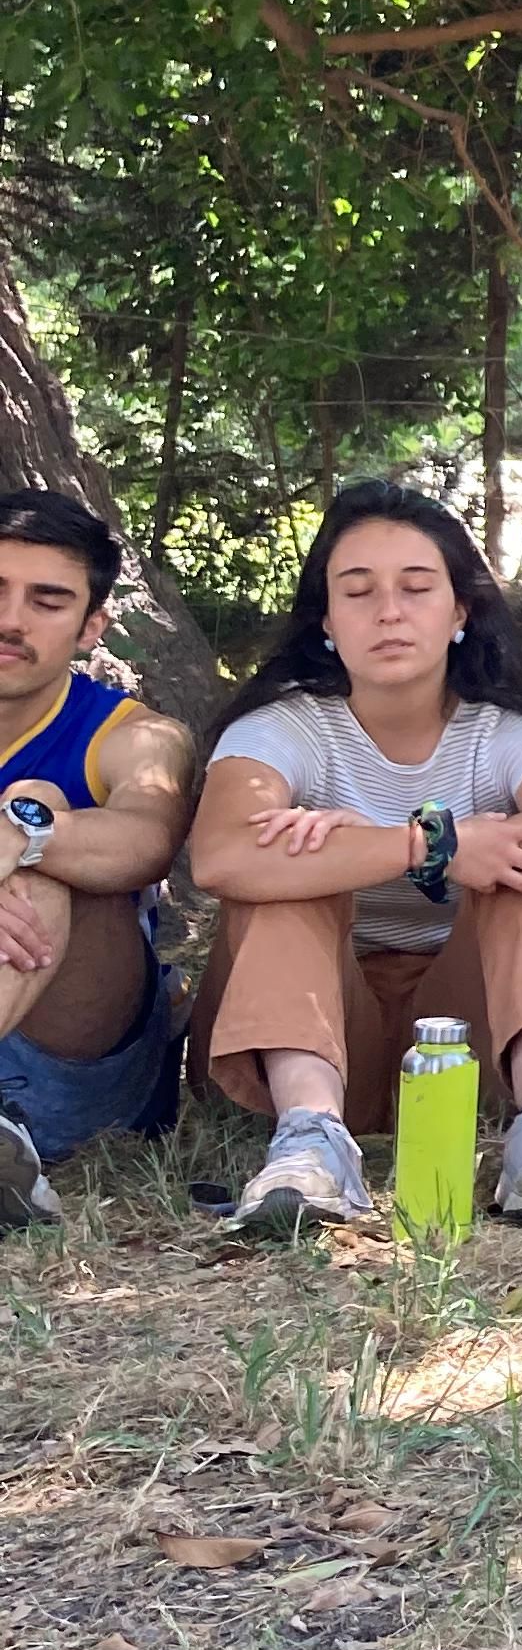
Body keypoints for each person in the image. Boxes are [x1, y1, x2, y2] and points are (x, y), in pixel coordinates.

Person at [188, 481, 522, 1237]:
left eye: (416, 588)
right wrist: (425, 846)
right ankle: (308, 1143)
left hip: (468, 1041)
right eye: (358, 592)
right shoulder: (283, 730)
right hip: (314, 1024)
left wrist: (452, 846)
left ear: (460, 612)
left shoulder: (508, 734)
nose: (389, 611)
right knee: (293, 855)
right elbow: (221, 854)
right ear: (326, 621)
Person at [0, 489, 195, 1233]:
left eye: (47, 601)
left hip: (70, 1066)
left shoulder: (136, 736)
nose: (12, 619)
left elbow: (146, 840)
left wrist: (23, 835)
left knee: (43, 825)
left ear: (90, 629)